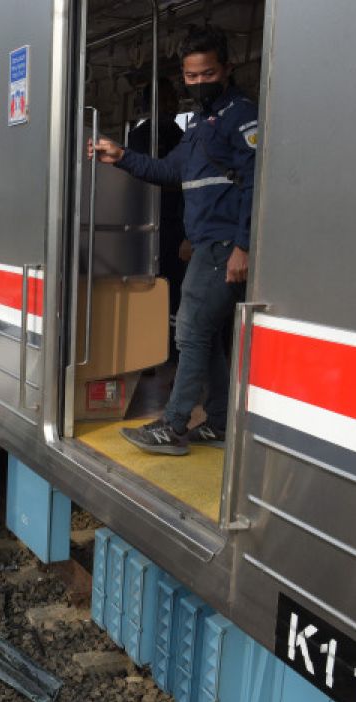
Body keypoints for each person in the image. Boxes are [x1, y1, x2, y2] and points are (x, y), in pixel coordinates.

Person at [90, 25, 257, 456]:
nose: (199, 83)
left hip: (224, 245)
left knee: (188, 332)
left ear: (226, 69)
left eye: (207, 74)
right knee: (208, 333)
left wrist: (244, 245)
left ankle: (173, 424)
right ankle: (218, 423)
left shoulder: (241, 115)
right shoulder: (200, 124)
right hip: (206, 242)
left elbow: (259, 180)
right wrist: (122, 157)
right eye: (191, 76)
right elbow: (170, 172)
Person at [127, 77, 187, 362]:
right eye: (165, 100)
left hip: (170, 226)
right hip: (155, 224)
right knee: (159, 290)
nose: (171, 105)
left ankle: (167, 351)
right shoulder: (143, 137)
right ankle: (155, 351)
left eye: (173, 99)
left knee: (171, 291)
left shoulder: (178, 135)